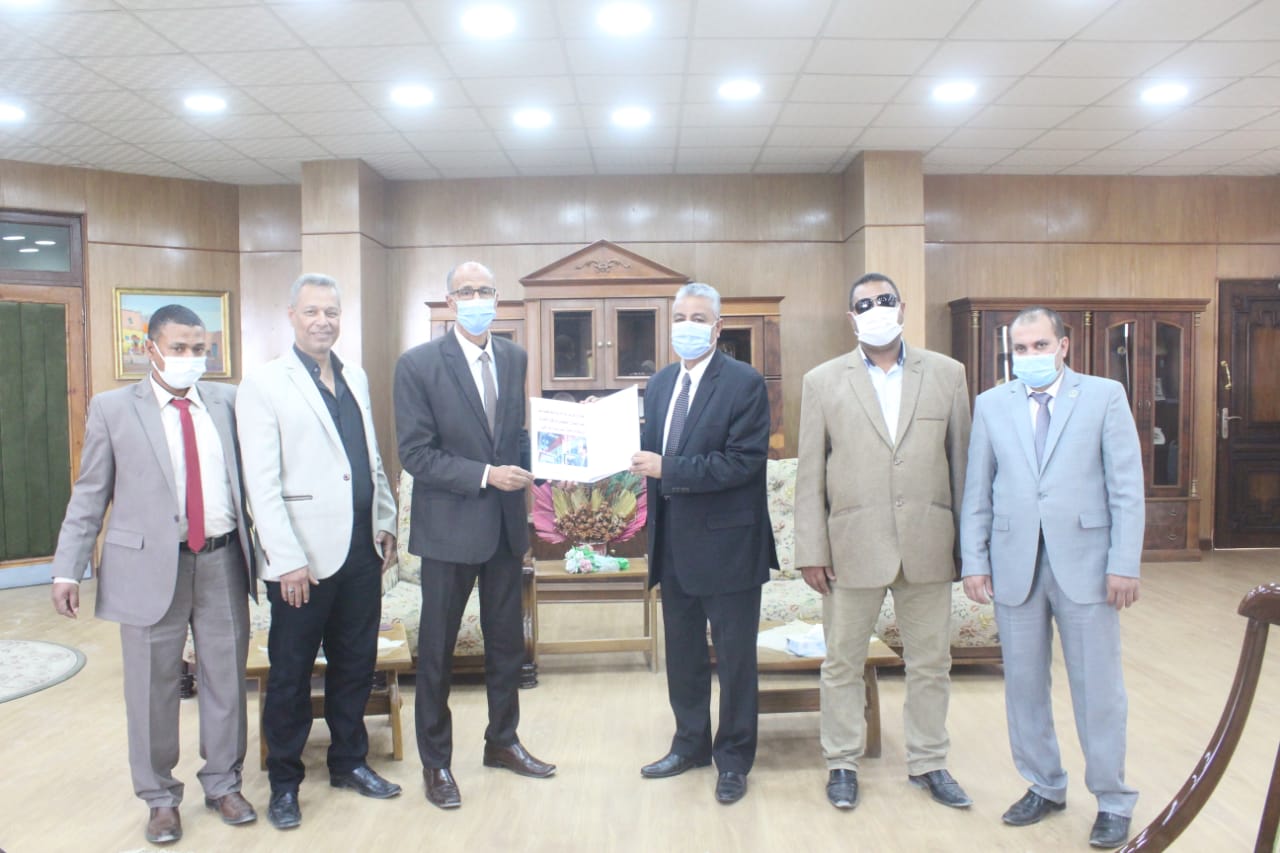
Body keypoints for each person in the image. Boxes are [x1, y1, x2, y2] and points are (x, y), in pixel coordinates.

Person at [49, 304, 257, 846]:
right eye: (179, 348)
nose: (191, 357)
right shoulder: (113, 408)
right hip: (146, 568)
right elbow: (90, 494)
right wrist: (67, 568)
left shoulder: (229, 402)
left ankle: (224, 783)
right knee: (150, 688)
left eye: (199, 349)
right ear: (151, 350)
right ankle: (160, 798)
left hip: (222, 561)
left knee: (226, 681)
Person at [960, 305, 1144, 850]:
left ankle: (1112, 798)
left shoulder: (1104, 396)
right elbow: (978, 489)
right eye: (1020, 349)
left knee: (1098, 688)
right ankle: (1044, 784)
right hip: (1013, 562)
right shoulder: (992, 404)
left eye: (1040, 346)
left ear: (1063, 346)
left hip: (1087, 563)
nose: (1030, 356)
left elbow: (1126, 487)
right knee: (1023, 685)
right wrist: (974, 560)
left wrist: (1124, 562)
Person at [794, 272, 973, 812]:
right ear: (851, 318)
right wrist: (811, 550)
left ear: (902, 308)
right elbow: (810, 474)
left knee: (931, 664)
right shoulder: (822, 381)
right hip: (851, 547)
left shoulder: (947, 374)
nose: (876, 309)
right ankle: (842, 763)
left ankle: (929, 762)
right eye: (864, 304)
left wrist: (970, 548)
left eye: (884, 300)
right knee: (842, 664)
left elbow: (962, 466)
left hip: (928, 544)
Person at [236, 273, 401, 830]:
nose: (322, 322)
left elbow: (370, 458)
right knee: (291, 674)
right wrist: (285, 558)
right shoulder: (264, 384)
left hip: (360, 549)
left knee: (356, 664)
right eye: (311, 312)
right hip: (300, 560)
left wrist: (385, 521)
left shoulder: (355, 375)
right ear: (291, 316)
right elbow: (261, 484)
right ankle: (284, 783)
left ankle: (349, 762)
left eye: (331, 312)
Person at [394, 261, 554, 811]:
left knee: (507, 645)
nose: (477, 298)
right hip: (448, 531)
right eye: (466, 291)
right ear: (450, 301)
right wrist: (486, 475)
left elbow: (514, 439)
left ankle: (502, 741)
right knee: (437, 652)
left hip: (505, 529)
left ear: (497, 296)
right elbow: (415, 454)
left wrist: (564, 438)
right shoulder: (417, 365)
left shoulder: (513, 357)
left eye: (485, 289)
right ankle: (436, 762)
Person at [630, 281, 776, 805]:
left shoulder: (744, 382)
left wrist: (668, 469)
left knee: (735, 662)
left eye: (698, 318)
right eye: (679, 318)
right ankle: (689, 744)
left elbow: (742, 462)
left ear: (717, 327)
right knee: (683, 655)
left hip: (729, 547)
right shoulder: (661, 383)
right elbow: (645, 452)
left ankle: (733, 759)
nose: (686, 327)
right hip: (673, 545)